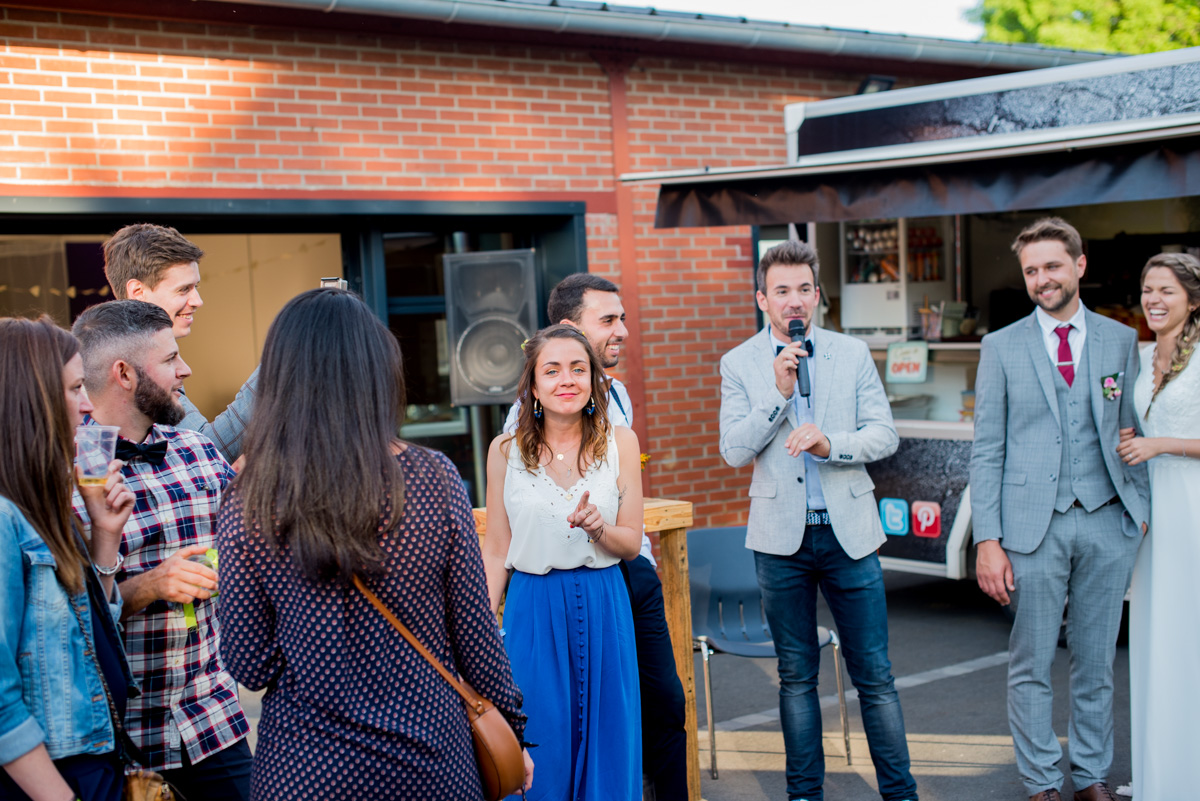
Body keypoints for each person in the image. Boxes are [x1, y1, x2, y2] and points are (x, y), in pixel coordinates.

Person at [213, 288, 531, 800]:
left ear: (278, 381)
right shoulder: (433, 479)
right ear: (375, 371)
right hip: (430, 764)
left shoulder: (250, 500)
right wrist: (512, 730)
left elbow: (249, 663)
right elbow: (476, 634)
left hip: (304, 770)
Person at [718, 240, 917, 801]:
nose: (794, 300)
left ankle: (901, 795)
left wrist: (833, 444)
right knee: (796, 678)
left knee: (875, 678)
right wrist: (779, 395)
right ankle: (804, 795)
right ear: (763, 299)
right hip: (780, 543)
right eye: (782, 291)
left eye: (804, 289)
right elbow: (733, 450)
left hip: (850, 535)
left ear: (816, 295)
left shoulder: (850, 354)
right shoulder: (739, 364)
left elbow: (884, 433)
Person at [970, 217, 1150, 801]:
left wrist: (1138, 509)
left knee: (1096, 663)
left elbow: (1134, 429)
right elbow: (988, 449)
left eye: (1051, 266)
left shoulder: (1120, 340)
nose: (1041, 279)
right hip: (1032, 528)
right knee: (1032, 663)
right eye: (1031, 271)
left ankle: (1091, 775)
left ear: (1079, 265)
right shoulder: (1000, 346)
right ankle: (1043, 780)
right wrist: (987, 540)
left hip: (1106, 519)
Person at [502, 273, 688, 800]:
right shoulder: (513, 440)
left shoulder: (619, 402)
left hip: (624, 578)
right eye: (608, 320)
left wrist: (610, 533)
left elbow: (626, 505)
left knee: (655, 712)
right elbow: (504, 542)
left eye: (622, 318)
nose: (622, 330)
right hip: (542, 597)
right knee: (549, 736)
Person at [70, 300, 253, 800]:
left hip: (215, 723)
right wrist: (150, 585)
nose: (186, 369)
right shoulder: (63, 474)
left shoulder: (198, 451)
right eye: (171, 359)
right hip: (122, 742)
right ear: (124, 373)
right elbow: (67, 620)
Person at [483, 324, 644, 801]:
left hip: (604, 606)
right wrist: (480, 629)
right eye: (551, 370)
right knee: (540, 745)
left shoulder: (621, 442)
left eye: (578, 368)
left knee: (608, 745)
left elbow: (632, 543)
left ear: (595, 380)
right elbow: (496, 550)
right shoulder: (504, 452)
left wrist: (600, 529)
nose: (566, 380)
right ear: (533, 386)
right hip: (532, 610)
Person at [0, 316, 135, 801]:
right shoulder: (3, 518)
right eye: (76, 387)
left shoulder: (40, 502)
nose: (86, 404)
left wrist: (104, 538)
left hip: (94, 766)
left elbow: (84, 635)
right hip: (52, 781)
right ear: (30, 400)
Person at [1117, 253, 1200, 801]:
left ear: (1192, 299)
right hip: (1150, 517)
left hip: (1192, 507)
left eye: (1166, 291)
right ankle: (1158, 774)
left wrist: (1158, 445)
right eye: (1148, 290)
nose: (1154, 300)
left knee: (1189, 639)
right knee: (1153, 639)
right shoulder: (1139, 354)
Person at [102, 223, 257, 461]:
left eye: (195, 287)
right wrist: (279, 364)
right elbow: (208, 451)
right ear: (137, 292)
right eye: (183, 289)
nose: (197, 300)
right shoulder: (122, 363)